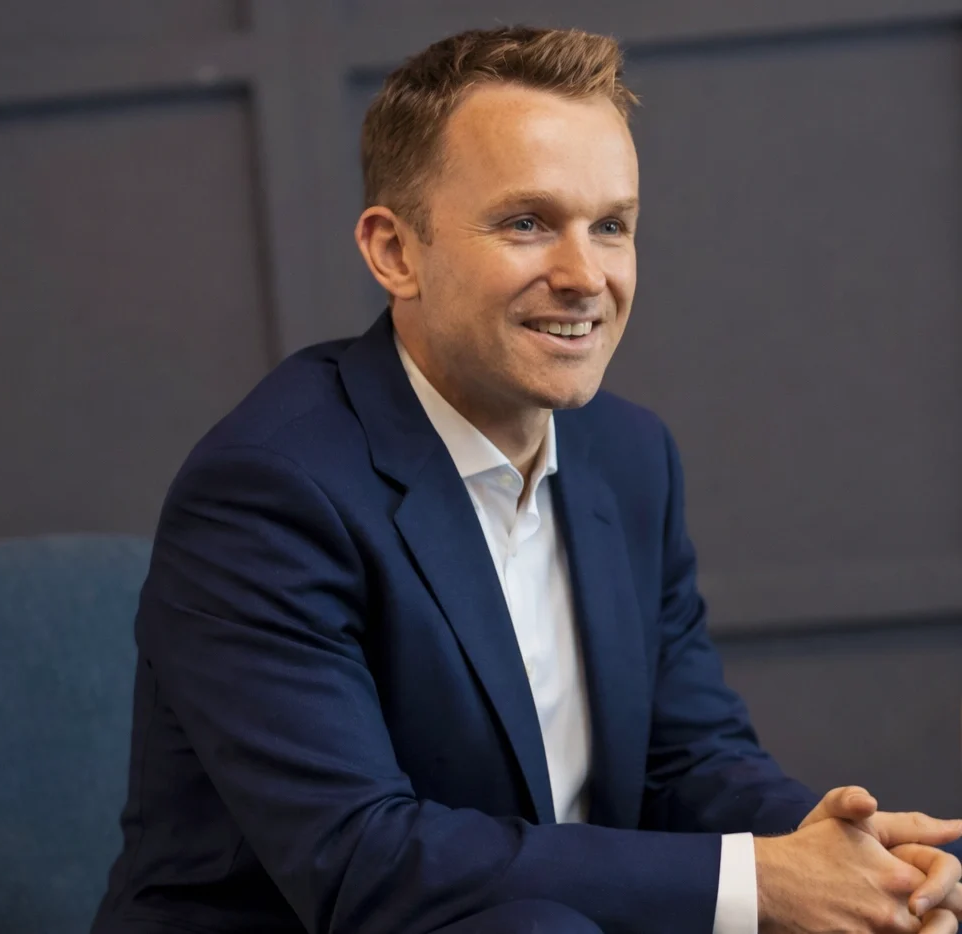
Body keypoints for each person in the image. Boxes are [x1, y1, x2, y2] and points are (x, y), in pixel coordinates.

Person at [92, 25, 962, 934]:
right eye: (527, 223)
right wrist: (763, 882)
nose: (584, 276)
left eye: (611, 226)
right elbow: (363, 861)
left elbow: (688, 760)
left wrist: (844, 858)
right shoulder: (269, 491)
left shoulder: (630, 456)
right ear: (395, 252)